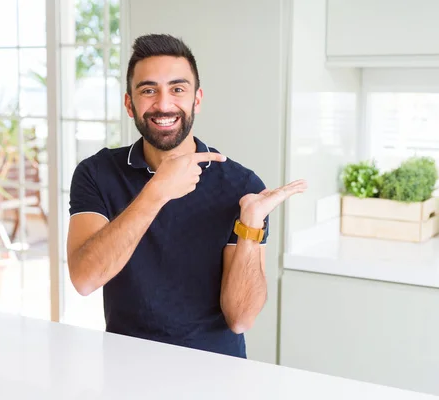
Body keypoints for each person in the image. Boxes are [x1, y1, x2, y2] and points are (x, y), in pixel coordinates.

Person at [67, 33, 307, 359]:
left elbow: (241, 319)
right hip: (125, 366)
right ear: (129, 104)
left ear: (197, 99)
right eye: (148, 90)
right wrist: (157, 190)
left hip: (215, 372)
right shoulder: (97, 173)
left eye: (178, 89)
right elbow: (84, 279)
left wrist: (250, 226)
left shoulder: (242, 185)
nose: (164, 104)